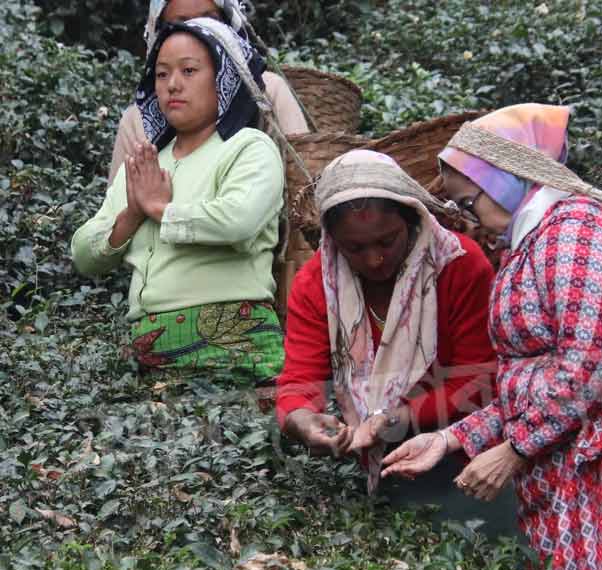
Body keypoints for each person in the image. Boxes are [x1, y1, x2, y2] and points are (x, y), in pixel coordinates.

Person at [381, 104, 602, 570]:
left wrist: (514, 450)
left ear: (506, 179)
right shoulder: (534, 240)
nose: (475, 221)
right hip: (576, 456)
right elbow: (532, 377)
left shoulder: (578, 231)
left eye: (472, 203)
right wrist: (449, 440)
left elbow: (586, 366)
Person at [72, 18, 284, 389]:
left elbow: (238, 221)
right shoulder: (144, 164)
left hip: (237, 353)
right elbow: (84, 254)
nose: (172, 84)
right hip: (148, 361)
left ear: (224, 77)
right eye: (162, 74)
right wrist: (134, 212)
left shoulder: (249, 148)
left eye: (189, 70)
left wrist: (157, 209)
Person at [276, 149, 499, 496]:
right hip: (371, 457)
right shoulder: (317, 283)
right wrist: (301, 420)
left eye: (387, 240)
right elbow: (299, 379)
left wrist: (400, 417)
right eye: (355, 247)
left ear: (412, 219)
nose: (375, 258)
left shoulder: (458, 266)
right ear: (332, 241)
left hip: (465, 450)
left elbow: (480, 378)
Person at [107, 0, 309, 187]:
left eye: (210, 21)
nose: (198, 31)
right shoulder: (138, 120)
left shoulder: (268, 91)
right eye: (181, 23)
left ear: (228, 23)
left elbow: (304, 178)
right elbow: (114, 212)